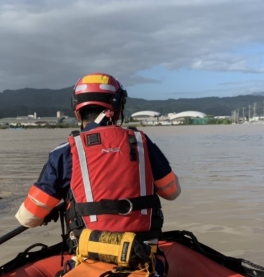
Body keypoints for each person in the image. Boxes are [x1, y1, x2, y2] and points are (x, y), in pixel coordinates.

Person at [15, 72, 181, 238]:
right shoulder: (142, 142)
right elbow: (172, 192)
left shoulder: (64, 153)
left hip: (90, 254)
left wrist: (47, 210)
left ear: (77, 112)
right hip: (145, 250)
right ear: (118, 109)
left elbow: (28, 218)